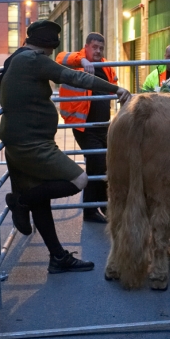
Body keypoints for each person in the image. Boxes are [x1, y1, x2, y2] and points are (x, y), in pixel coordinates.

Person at [0, 20, 131, 274]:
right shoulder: (34, 60)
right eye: (50, 48)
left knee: (42, 200)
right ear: (47, 45)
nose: (50, 53)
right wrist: (116, 90)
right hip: (31, 144)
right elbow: (75, 77)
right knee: (79, 179)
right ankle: (20, 200)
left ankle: (57, 256)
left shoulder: (17, 58)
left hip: (23, 141)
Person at [55, 33, 117, 224]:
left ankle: (103, 205)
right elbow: (59, 58)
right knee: (97, 163)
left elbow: (113, 84)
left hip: (103, 126)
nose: (98, 51)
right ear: (86, 47)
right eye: (94, 47)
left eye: (101, 48)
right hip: (84, 126)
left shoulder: (105, 66)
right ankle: (90, 210)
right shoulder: (76, 62)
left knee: (103, 165)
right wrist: (81, 58)